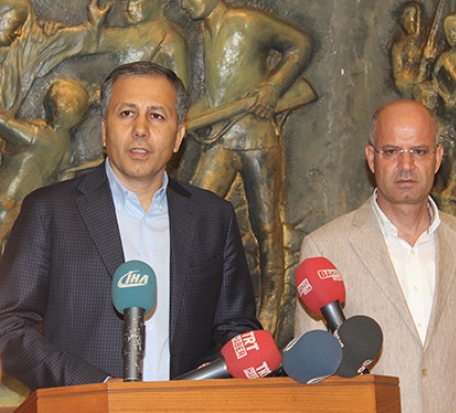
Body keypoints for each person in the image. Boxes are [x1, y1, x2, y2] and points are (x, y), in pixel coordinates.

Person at [0, 61, 261, 391]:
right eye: (126, 113)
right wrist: (99, 386)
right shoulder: (50, 211)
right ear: (104, 130)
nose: (140, 129)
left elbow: (236, 328)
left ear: (178, 135)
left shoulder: (213, 216)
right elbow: (9, 326)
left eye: (157, 116)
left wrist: (205, 377)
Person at [295, 99, 456, 413]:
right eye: (391, 151)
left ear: (437, 158)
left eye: (419, 151)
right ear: (371, 158)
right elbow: (314, 377)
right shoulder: (325, 248)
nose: (406, 165)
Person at [179, 0, 313, 334]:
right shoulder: (205, 30)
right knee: (191, 219)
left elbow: (301, 44)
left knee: (266, 225)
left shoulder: (247, 20)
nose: (184, 4)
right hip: (221, 140)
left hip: (257, 139)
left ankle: (271, 306)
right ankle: (193, 306)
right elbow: (219, 91)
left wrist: (273, 87)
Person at [0, 78, 90, 250]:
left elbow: (4, 124)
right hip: (22, 214)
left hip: (4, 202)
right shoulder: (67, 152)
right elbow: (65, 188)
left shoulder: (37, 136)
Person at [97, 0, 190, 87]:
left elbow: (180, 91)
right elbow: (95, 42)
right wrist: (95, 25)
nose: (129, 7)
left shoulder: (169, 41)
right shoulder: (128, 34)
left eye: (136, 1)